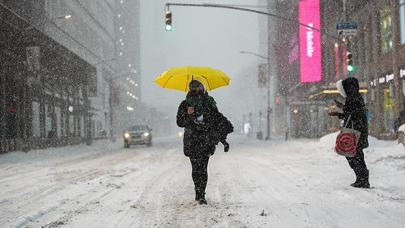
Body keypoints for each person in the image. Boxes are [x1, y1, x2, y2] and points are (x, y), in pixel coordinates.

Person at [176, 79, 233, 204]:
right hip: (192, 140)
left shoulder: (209, 102)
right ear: (190, 89)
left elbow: (217, 120)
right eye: (194, 87)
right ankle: (198, 192)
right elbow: (180, 122)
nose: (197, 89)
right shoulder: (185, 104)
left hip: (206, 140)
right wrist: (188, 114)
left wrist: (223, 139)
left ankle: (202, 195)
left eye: (199, 87)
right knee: (196, 168)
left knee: (203, 168)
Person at [328, 77, 370, 188]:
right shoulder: (356, 97)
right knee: (356, 155)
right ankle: (362, 178)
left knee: (353, 155)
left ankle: (362, 179)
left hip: (355, 132)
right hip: (359, 130)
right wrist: (342, 109)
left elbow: (352, 115)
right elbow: (353, 113)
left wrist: (339, 113)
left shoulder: (353, 98)